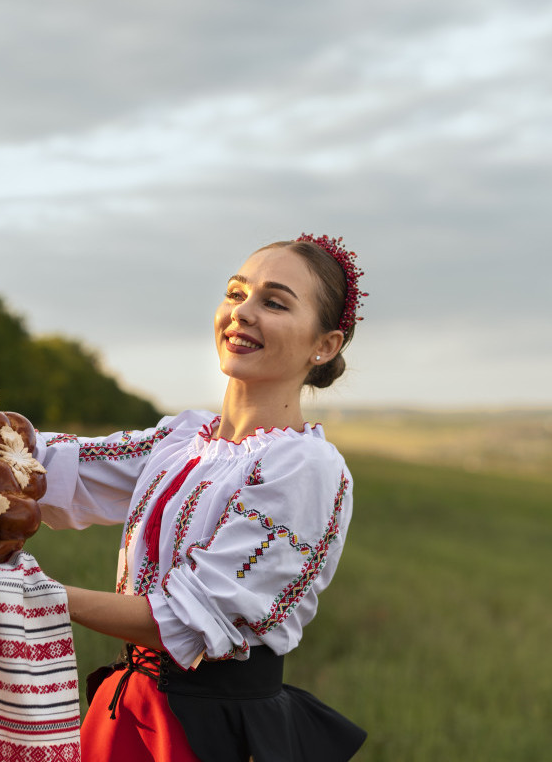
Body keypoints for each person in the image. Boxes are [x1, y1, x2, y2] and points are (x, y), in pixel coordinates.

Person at [33, 234, 369, 761]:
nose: (244, 313)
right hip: (128, 707)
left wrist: (31, 594)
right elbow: (58, 468)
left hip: (203, 731)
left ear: (324, 345)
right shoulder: (185, 441)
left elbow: (188, 617)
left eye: (274, 302)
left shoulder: (303, 467)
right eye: (236, 294)